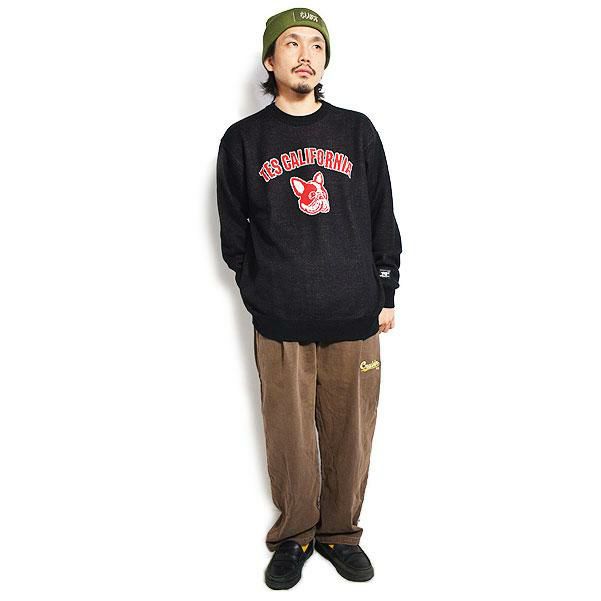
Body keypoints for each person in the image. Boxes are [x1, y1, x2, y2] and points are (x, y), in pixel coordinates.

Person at [216, 7, 402, 590]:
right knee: (289, 437)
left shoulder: (357, 131)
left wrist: (386, 289)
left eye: (316, 45)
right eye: (291, 43)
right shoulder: (244, 140)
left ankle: (341, 535)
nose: (305, 54)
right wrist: (260, 292)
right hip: (281, 319)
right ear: (270, 60)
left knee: (351, 432)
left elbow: (382, 215)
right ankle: (295, 536)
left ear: (325, 61)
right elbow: (234, 235)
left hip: (356, 313)